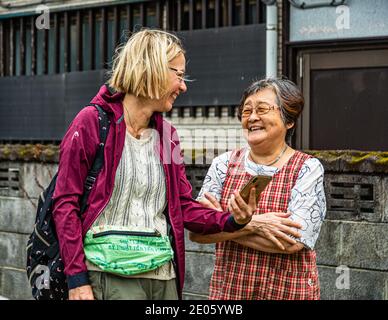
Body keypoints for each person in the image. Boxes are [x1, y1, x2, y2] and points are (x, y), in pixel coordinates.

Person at [52, 29, 296, 300]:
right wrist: (76, 279)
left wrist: (233, 219)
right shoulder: (91, 123)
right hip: (110, 274)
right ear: (152, 68)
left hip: (163, 276)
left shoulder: (168, 136)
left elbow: (183, 207)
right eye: (178, 75)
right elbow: (65, 203)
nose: (183, 86)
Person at [190, 78, 326, 300]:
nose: (252, 117)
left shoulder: (307, 168)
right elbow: (197, 232)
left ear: (289, 120)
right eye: (246, 111)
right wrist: (257, 224)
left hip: (288, 291)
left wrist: (222, 226)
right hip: (231, 294)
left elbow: (291, 242)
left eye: (262, 109)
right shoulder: (223, 164)